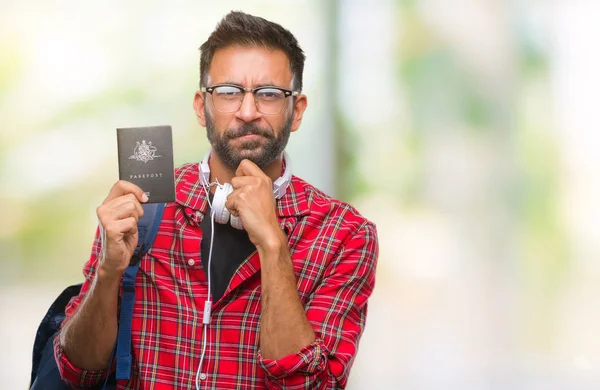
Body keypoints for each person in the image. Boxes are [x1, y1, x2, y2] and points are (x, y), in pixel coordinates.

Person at [54, 11, 378, 389]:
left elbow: (312, 386)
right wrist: (108, 273)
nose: (247, 111)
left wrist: (273, 244)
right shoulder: (141, 207)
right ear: (200, 106)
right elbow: (79, 372)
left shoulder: (347, 234)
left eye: (269, 94)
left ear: (297, 111)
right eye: (228, 92)